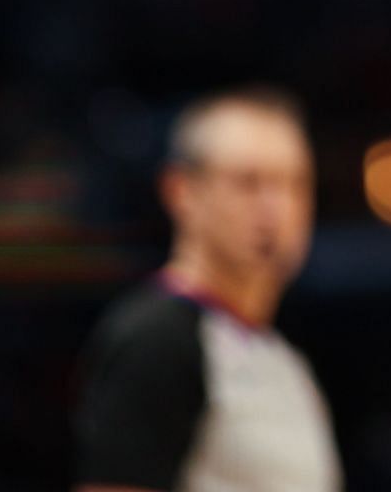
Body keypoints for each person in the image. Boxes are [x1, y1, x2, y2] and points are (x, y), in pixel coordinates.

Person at [73, 86, 342, 492]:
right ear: (181, 191)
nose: (276, 207)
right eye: (248, 183)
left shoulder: (283, 359)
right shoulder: (157, 339)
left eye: (294, 184)